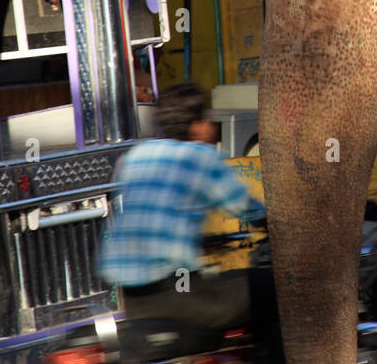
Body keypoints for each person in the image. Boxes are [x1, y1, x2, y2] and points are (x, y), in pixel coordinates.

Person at [97, 81, 266, 327]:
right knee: (272, 289)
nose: (210, 125)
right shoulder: (200, 157)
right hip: (180, 290)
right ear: (196, 125)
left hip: (131, 299)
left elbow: (155, 216)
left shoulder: (136, 156)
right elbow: (245, 208)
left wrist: (202, 242)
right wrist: (272, 224)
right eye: (205, 118)